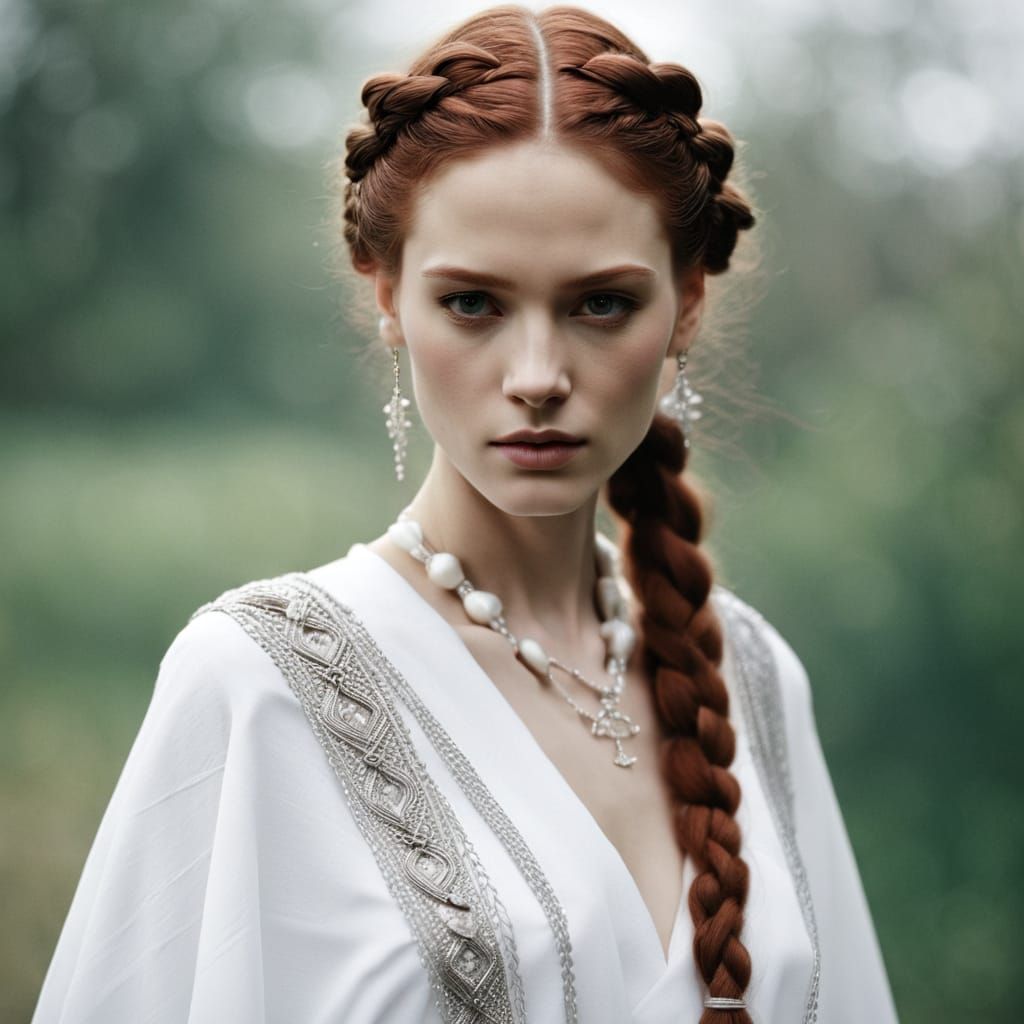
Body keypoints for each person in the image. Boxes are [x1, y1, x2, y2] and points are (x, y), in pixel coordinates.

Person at [31, 4, 899, 1022]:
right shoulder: (258, 684)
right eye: (475, 304)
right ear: (387, 294)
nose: (537, 377)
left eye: (601, 303)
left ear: (687, 305)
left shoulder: (750, 675)